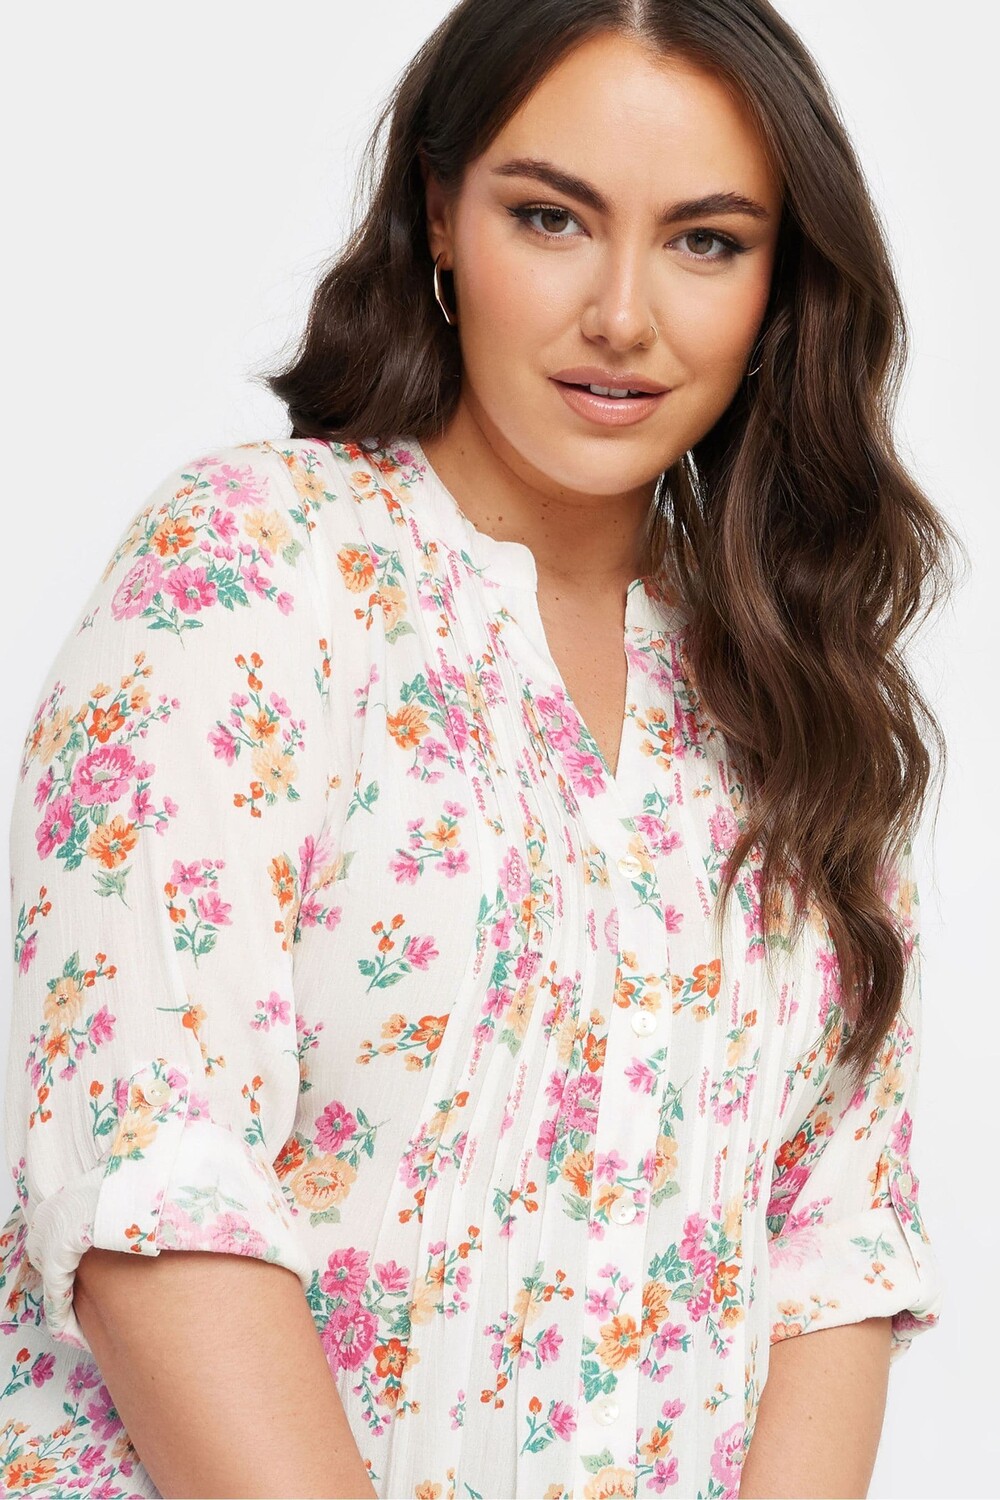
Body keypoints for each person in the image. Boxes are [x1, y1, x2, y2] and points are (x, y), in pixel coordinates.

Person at [0, 1, 958, 1496]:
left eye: (707, 241)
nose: (623, 316)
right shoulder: (255, 572)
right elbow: (155, 1183)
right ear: (441, 214)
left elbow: (831, 1253)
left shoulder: (796, 702)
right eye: (551, 217)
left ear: (782, 285)